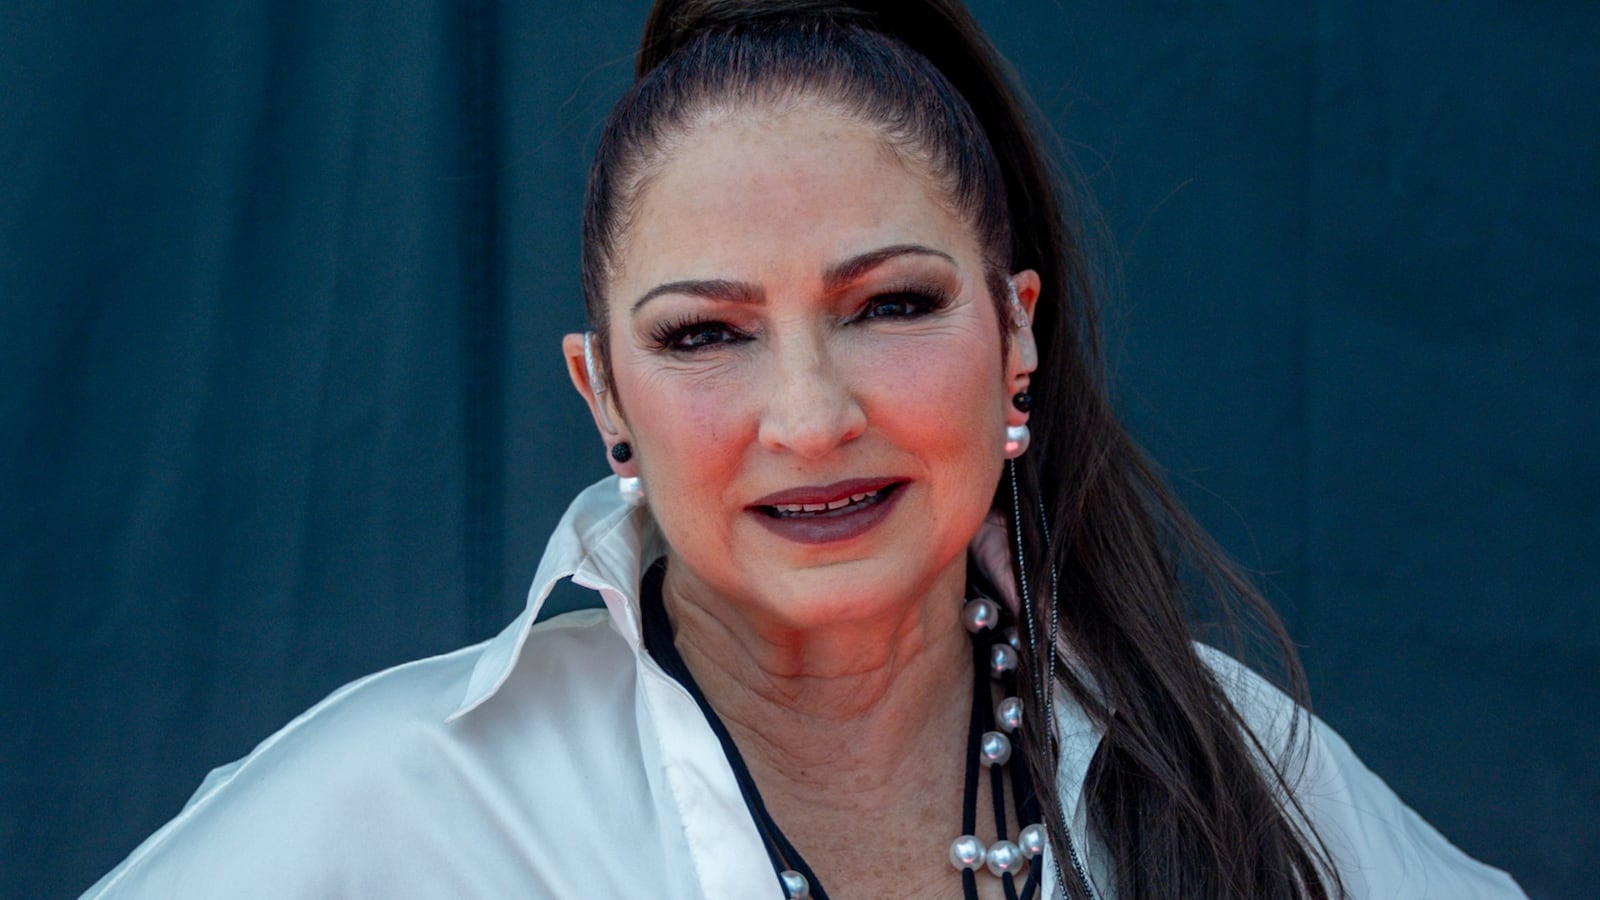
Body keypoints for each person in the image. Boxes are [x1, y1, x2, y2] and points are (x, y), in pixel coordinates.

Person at [85, 2, 1525, 898]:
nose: (812, 417)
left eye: (890, 306)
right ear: (604, 396)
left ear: (1016, 333)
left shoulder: (1218, 753)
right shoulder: (403, 805)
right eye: (706, 333)